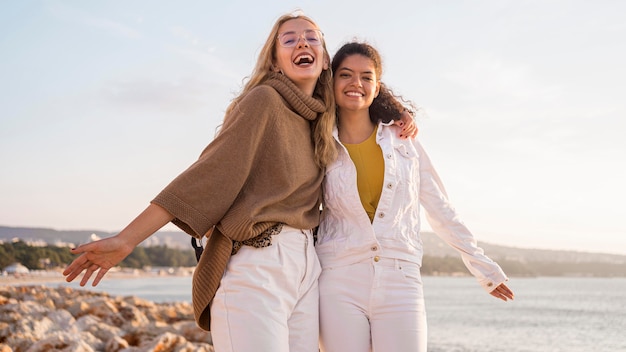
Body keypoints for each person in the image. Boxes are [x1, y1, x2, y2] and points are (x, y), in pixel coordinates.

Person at [62, 13, 415, 352]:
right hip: (258, 265)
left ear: (324, 60)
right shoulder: (264, 101)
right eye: (289, 39)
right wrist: (127, 240)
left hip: (307, 270)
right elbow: (206, 175)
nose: (301, 43)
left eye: (311, 38)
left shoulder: (321, 120)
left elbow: (361, 92)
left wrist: (399, 113)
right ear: (275, 62)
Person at [316, 41, 515, 352]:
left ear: (377, 86)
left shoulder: (401, 139)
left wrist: (483, 268)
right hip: (338, 279)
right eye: (346, 75)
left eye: (366, 77)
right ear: (332, 82)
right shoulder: (318, 142)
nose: (356, 83)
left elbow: (439, 207)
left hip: (400, 279)